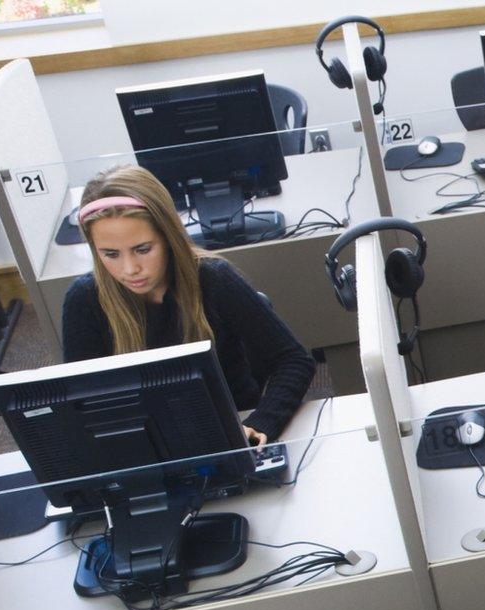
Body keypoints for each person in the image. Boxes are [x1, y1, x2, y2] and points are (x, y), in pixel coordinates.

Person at [61, 165, 317, 446]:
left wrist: (260, 422)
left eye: (143, 249)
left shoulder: (214, 279)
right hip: (147, 442)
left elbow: (294, 361)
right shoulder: (84, 300)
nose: (130, 268)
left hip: (230, 429)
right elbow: (82, 401)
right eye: (110, 254)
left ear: (169, 237)